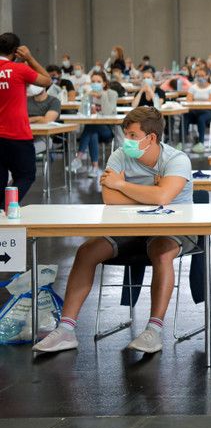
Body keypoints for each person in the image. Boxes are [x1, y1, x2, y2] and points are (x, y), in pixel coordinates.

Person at [33, 106, 197, 355]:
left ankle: (153, 330)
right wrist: (149, 195)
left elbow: (163, 196)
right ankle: (66, 329)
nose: (126, 140)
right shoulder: (119, 156)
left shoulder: (177, 160)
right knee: (87, 251)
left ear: (151, 137)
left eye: (132, 135)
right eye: (126, 134)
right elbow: (110, 198)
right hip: (129, 226)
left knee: (162, 253)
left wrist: (122, 184)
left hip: (175, 228)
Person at [0, 35, 51, 202]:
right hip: (17, 134)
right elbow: (47, 80)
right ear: (16, 51)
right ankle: (7, 207)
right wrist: (29, 58)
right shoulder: (19, 69)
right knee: (26, 175)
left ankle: (2, 210)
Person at [72, 71, 119, 178]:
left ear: (104, 83)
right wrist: (87, 97)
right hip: (93, 128)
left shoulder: (112, 94)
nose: (95, 83)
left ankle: (79, 157)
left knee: (91, 126)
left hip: (108, 130)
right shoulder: (89, 94)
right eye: (93, 81)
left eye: (98, 81)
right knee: (92, 131)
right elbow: (81, 112)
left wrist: (102, 95)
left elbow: (107, 113)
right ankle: (95, 168)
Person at [185, 69, 211, 154]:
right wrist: (201, 102)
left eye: (202, 75)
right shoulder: (192, 87)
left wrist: (196, 101)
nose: (200, 77)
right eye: (198, 76)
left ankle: (201, 143)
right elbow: (188, 100)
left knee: (201, 118)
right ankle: (182, 141)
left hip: (207, 112)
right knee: (185, 116)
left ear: (207, 76)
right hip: (194, 111)